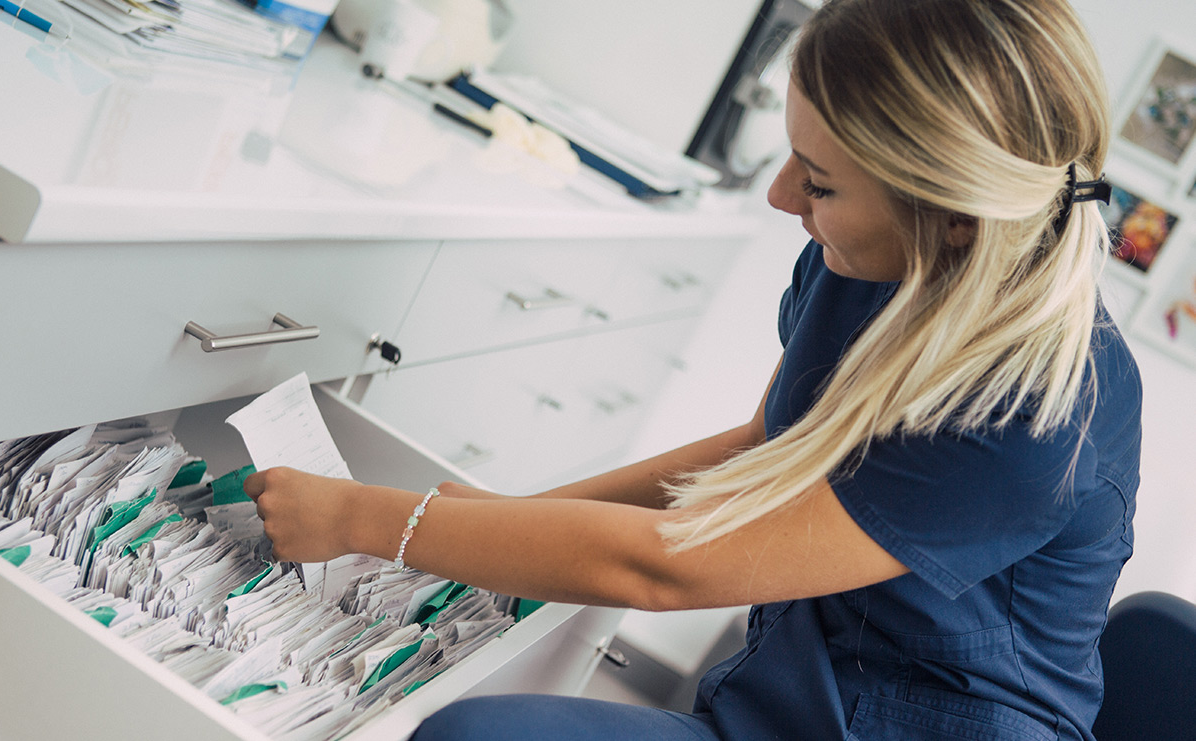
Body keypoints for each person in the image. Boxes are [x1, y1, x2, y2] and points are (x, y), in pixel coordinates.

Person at [243, 0, 1143, 737]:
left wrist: (370, 518)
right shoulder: (865, 265)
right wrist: (501, 523)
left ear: (953, 217)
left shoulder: (1037, 415)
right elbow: (760, 450)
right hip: (796, 694)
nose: (780, 196)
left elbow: (667, 571)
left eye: (819, 182)